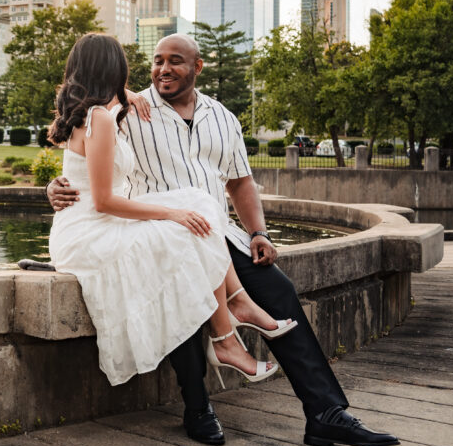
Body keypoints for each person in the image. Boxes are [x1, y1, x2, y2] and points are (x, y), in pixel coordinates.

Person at [48, 33, 400, 446]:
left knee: (280, 291)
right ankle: (198, 408)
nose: (163, 69)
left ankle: (326, 413)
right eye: (157, 61)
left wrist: (259, 232)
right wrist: (54, 188)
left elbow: (241, 182)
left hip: (219, 233)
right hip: (159, 232)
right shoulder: (131, 110)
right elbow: (86, 152)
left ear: (198, 67)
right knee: (177, 297)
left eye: (175, 61)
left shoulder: (224, 118)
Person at [47, 33, 296, 395]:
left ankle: (237, 307)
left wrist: (126, 95)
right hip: (92, 231)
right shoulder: (101, 118)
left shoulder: (98, 112)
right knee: (188, 224)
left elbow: (84, 169)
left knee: (200, 204)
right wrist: (171, 213)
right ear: (114, 68)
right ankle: (226, 338)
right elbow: (101, 200)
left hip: (91, 223)